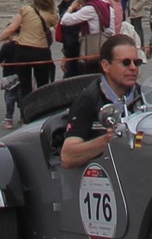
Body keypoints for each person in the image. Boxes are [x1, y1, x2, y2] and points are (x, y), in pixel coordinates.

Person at [61, 34, 144, 169]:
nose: (133, 68)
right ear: (105, 66)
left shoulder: (144, 94)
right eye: (126, 62)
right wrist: (108, 140)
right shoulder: (88, 100)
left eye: (137, 62)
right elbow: (67, 156)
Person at [0, 0, 60, 127]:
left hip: (24, 51)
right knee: (42, 86)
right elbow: (60, 35)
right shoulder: (52, 14)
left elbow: (11, 28)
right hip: (41, 51)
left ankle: (26, 117)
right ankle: (41, 116)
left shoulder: (26, 10)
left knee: (25, 86)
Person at [60, 0, 106, 78]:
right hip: (104, 45)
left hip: (92, 47)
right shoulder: (103, 3)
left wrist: (71, 8)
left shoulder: (89, 8)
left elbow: (65, 20)